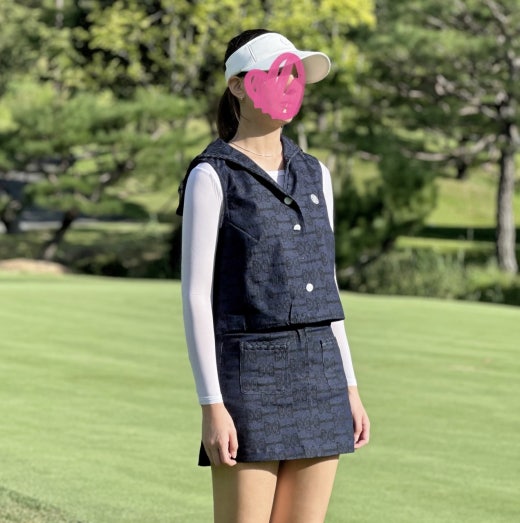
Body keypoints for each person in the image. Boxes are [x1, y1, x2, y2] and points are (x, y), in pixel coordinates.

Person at [177, 28, 370, 523]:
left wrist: (349, 387)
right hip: (250, 380)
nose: (290, 86)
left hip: (320, 374)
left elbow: (326, 285)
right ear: (238, 86)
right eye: (278, 73)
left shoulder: (317, 173)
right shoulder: (211, 175)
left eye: (297, 77)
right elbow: (197, 297)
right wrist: (211, 405)